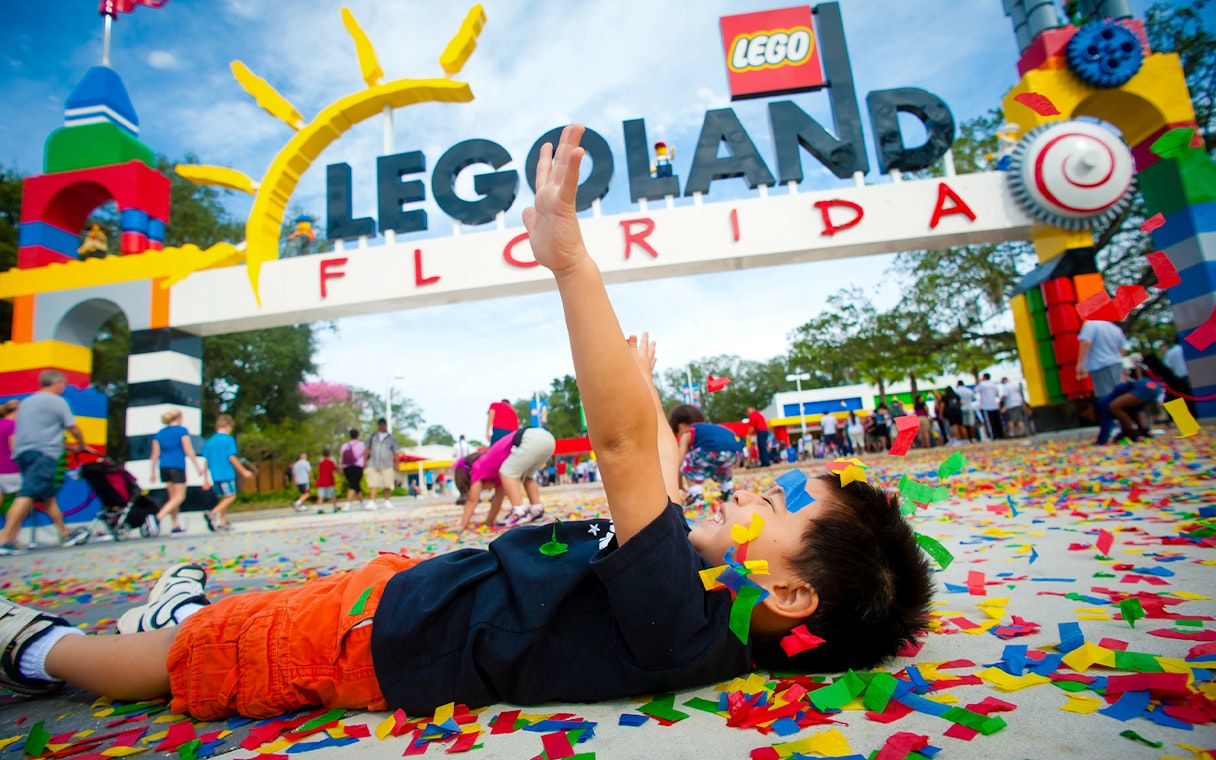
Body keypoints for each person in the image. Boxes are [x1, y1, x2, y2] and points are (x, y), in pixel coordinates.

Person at [0, 125, 933, 723]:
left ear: (793, 597)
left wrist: (571, 265)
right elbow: (653, 452)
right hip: (409, 596)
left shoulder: (682, 623)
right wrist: (648, 392)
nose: (744, 486)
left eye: (771, 500)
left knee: (181, 661)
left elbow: (620, 454)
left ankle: (41, 650)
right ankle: (186, 610)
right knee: (240, 619)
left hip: (370, 641)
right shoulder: (700, 583)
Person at [0, 373, 94, 554]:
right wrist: (81, 444)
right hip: (43, 455)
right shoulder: (56, 401)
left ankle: (65, 533)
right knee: (27, 493)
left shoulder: (27, 402)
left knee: (47, 495)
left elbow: (38, 434)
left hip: (24, 454)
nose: (64, 388)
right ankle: (4, 539)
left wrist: (70, 448)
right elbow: (72, 427)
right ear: (57, 383)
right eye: (64, 385)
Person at [460, 426, 557, 529]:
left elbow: (472, 500)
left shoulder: (477, 467)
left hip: (529, 438)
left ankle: (519, 513)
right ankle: (537, 510)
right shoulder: (495, 468)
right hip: (548, 439)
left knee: (507, 472)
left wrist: (463, 525)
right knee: (527, 476)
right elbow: (498, 497)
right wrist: (489, 521)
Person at [669, 405, 744, 508]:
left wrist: (678, 480)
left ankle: (696, 496)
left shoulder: (689, 431)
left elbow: (680, 460)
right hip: (737, 451)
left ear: (681, 427)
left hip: (714, 450)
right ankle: (728, 491)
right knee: (721, 468)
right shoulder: (710, 428)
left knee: (688, 460)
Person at [150, 409, 206, 536]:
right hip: (177, 466)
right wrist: (197, 466)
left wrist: (152, 472)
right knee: (180, 497)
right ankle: (157, 517)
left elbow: (154, 454)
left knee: (172, 498)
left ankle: (175, 525)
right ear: (179, 418)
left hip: (163, 466)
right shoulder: (182, 431)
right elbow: (188, 449)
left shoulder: (159, 434)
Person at [200, 415, 252, 532]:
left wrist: (205, 480)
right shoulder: (228, 440)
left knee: (224, 498)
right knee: (231, 496)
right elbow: (232, 457)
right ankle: (213, 513)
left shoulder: (209, 442)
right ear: (228, 426)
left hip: (214, 475)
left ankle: (222, 521)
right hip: (226, 474)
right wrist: (243, 471)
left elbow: (205, 462)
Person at [1095, 368, 1162, 445]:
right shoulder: (1122, 398)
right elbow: (1132, 411)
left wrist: (1101, 441)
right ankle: (1144, 431)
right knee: (1132, 409)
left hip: (1143, 388)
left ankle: (1131, 432)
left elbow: (1106, 423)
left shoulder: (1101, 404)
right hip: (1152, 386)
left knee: (1114, 407)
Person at [1076, 318, 1129, 400]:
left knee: (1107, 397)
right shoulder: (1115, 328)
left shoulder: (1090, 325)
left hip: (1100, 365)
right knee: (1120, 394)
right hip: (1117, 364)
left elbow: (1086, 342)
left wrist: (1080, 364)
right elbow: (1123, 349)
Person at [366, 418, 400, 510]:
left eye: (383, 425)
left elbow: (396, 451)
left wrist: (397, 464)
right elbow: (367, 449)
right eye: (380, 425)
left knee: (387, 483)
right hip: (373, 463)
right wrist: (365, 460)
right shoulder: (372, 436)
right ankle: (372, 501)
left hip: (387, 463)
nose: (381, 426)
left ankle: (387, 500)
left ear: (385, 425)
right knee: (373, 483)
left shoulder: (391, 437)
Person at [339, 429, 368, 512]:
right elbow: (366, 455)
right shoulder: (362, 444)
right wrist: (365, 462)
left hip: (346, 467)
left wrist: (341, 467)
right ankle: (348, 503)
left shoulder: (345, 445)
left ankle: (362, 503)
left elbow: (341, 456)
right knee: (354, 485)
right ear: (358, 435)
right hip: (357, 466)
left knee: (355, 485)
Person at [0, 401, 21, 512]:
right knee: (24, 498)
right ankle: (12, 525)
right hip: (10, 469)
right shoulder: (12, 425)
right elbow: (15, 449)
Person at [975, 374, 1004, 440]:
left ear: (984, 377)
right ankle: (1000, 435)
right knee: (997, 421)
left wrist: (978, 382)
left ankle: (993, 436)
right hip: (994, 405)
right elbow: (997, 394)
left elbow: (975, 390)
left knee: (990, 423)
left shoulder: (981, 384)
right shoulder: (993, 384)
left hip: (986, 406)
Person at [315, 447, 339, 513]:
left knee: (321, 495)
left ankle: (320, 508)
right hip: (329, 480)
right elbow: (334, 470)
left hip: (321, 480)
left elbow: (319, 470)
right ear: (329, 454)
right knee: (332, 494)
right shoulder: (330, 462)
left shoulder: (321, 463)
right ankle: (335, 506)